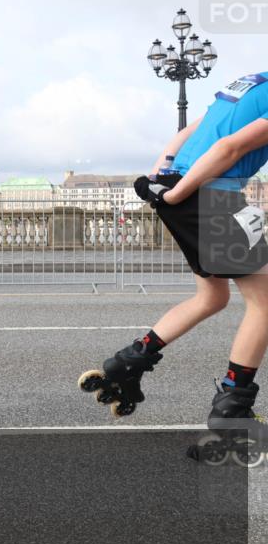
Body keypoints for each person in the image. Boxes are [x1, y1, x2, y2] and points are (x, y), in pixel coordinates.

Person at [80, 71, 268, 443]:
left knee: (211, 297)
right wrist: (177, 193)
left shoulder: (253, 82)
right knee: (264, 303)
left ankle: (130, 362)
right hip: (211, 195)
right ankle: (232, 409)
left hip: (181, 186)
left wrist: (160, 174)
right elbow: (228, 149)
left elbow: (193, 130)